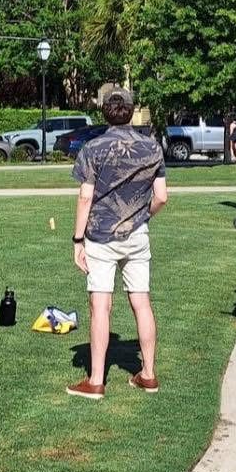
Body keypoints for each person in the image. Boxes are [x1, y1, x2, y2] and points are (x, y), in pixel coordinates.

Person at [67, 89, 168, 399]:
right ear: (132, 111)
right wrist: (140, 216)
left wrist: (77, 239)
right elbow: (162, 197)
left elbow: (86, 196)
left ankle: (96, 380)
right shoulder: (152, 147)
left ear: (105, 113)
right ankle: (148, 374)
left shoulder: (93, 148)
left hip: (100, 235)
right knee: (141, 302)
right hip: (137, 235)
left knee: (101, 304)